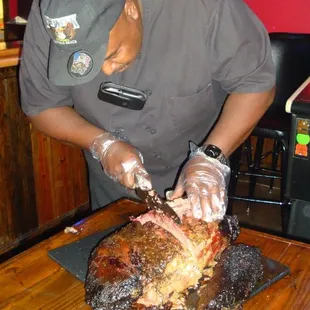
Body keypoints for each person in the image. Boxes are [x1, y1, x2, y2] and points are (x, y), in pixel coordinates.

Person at [19, 0, 275, 222]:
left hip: (196, 183)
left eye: (113, 54)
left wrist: (210, 158)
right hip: (110, 186)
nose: (105, 71)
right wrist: (101, 144)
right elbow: (41, 105)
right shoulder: (55, 17)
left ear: (130, 9)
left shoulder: (205, 8)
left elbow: (256, 85)